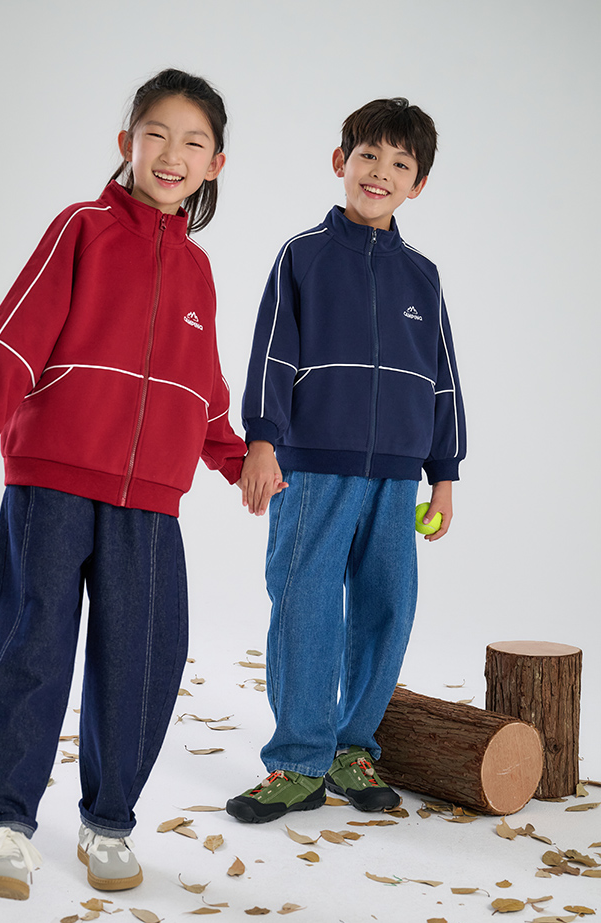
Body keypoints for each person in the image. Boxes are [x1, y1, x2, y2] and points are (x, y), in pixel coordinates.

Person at [0, 68, 247, 898]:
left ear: (215, 163)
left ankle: (109, 821)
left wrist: (237, 455)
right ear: (126, 143)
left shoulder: (199, 271)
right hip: (53, 483)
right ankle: (6, 825)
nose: (172, 154)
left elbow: (203, 384)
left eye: (194, 142)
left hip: (150, 502)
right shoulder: (83, 227)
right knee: (32, 649)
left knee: (143, 659)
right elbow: (20, 327)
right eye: (156, 134)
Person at [229, 98, 466, 823]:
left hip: (396, 478)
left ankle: (351, 748)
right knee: (304, 605)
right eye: (368, 155)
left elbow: (443, 379)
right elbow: (272, 353)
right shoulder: (303, 256)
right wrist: (262, 441)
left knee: (387, 607)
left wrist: (444, 475)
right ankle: (298, 762)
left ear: (417, 184)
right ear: (341, 161)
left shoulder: (422, 276)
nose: (380, 172)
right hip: (311, 469)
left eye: (400, 163)